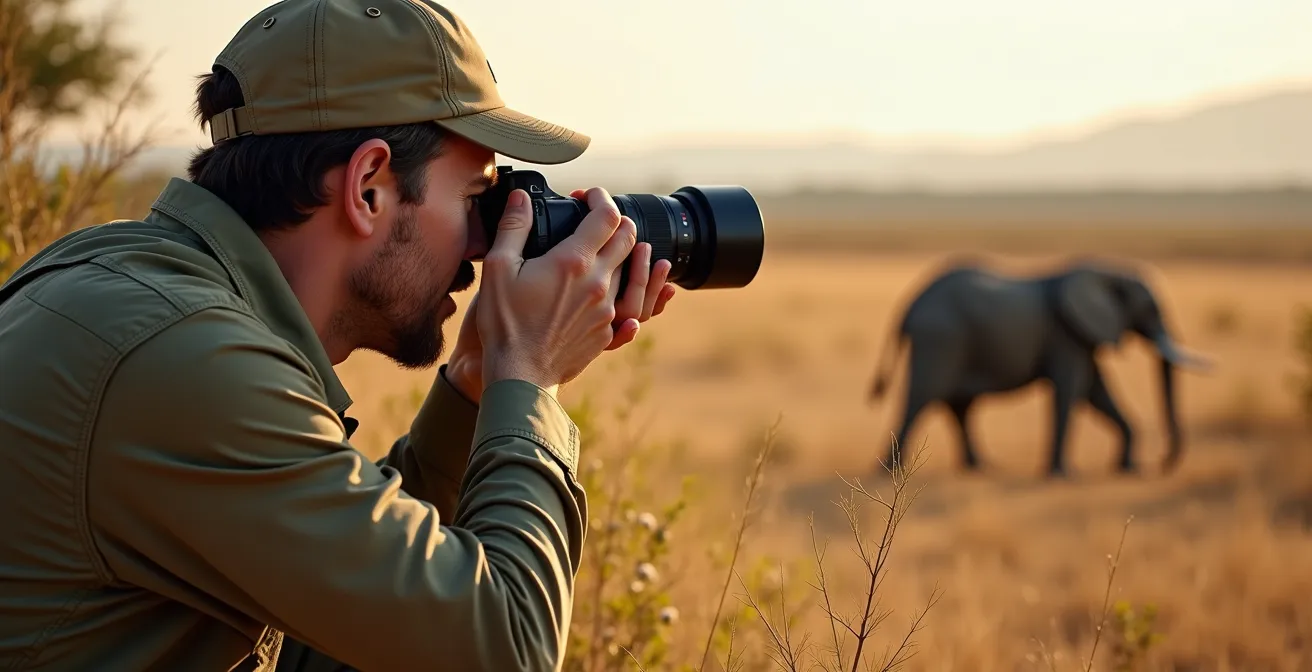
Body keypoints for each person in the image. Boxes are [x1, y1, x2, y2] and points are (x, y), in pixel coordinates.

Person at [0, 1, 678, 670]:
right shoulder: (184, 363)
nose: (483, 247)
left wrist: (476, 382)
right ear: (369, 187)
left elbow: (336, 635)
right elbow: (507, 652)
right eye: (477, 199)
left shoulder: (128, 285)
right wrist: (527, 375)